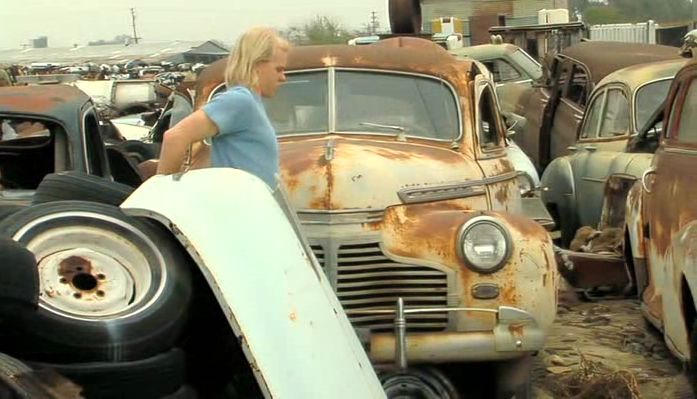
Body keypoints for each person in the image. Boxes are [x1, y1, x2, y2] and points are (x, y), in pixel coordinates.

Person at [156, 27, 288, 188]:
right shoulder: (239, 100)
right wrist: (163, 192)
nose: (283, 78)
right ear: (257, 65)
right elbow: (175, 137)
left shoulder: (252, 102)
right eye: (279, 69)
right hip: (238, 208)